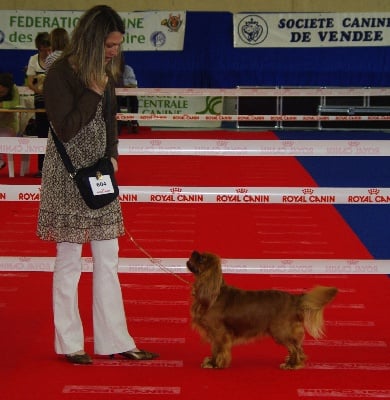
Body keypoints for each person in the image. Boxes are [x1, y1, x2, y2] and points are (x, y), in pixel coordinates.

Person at [37, 5, 159, 365]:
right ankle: (71, 343)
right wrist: (92, 90)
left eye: (117, 45)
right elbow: (66, 127)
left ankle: (116, 340)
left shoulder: (104, 72)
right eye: (109, 44)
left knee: (109, 259)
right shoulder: (60, 73)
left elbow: (110, 121)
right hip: (66, 177)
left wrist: (113, 154)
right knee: (69, 260)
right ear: (92, 39)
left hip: (100, 173)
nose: (114, 51)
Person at [26, 32, 51, 178]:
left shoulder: (56, 59)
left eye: (49, 49)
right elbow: (29, 82)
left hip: (55, 101)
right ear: (38, 48)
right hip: (40, 100)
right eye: (43, 50)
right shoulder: (33, 60)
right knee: (42, 133)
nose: (47, 52)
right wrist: (39, 90)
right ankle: (42, 168)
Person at [0, 73, 20, 169]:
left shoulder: (14, 89)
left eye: (2, 92)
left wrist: (2, 104)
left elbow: (16, 103)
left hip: (9, 125)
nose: (0, 93)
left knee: (2, 137)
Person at [116, 54, 139, 133]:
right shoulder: (110, 69)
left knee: (134, 99)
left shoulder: (128, 69)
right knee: (114, 100)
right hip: (115, 97)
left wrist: (121, 83)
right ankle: (117, 125)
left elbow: (133, 84)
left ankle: (134, 123)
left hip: (127, 97)